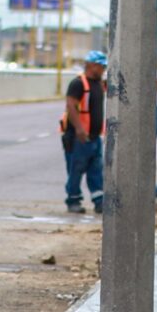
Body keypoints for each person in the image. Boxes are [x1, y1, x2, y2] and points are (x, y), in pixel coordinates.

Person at [61, 50, 107, 214]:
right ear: (91, 65)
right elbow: (71, 105)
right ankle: (73, 200)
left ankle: (99, 201)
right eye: (101, 66)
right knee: (76, 169)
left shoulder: (99, 84)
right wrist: (79, 128)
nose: (103, 69)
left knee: (96, 170)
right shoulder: (78, 83)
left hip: (94, 137)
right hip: (78, 137)